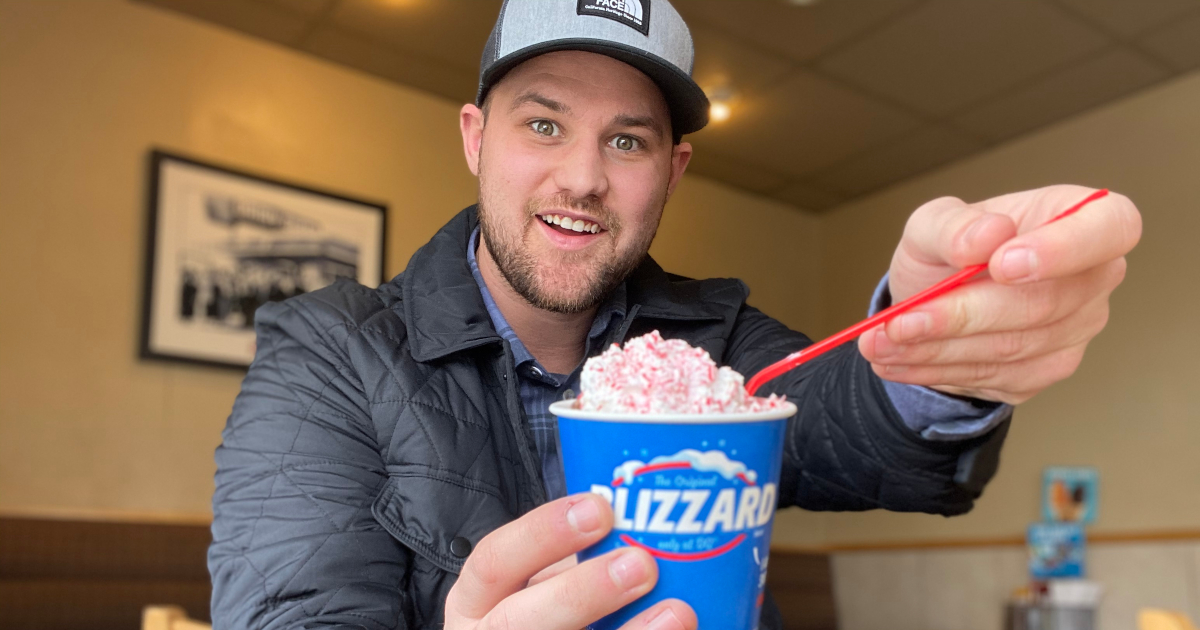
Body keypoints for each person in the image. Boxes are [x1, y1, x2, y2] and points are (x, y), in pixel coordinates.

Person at [208, 1, 1141, 629]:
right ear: (475, 137)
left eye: (627, 140)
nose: (581, 175)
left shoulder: (714, 338)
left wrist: (936, 354)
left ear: (673, 171)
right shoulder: (328, 349)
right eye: (543, 124)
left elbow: (868, 430)